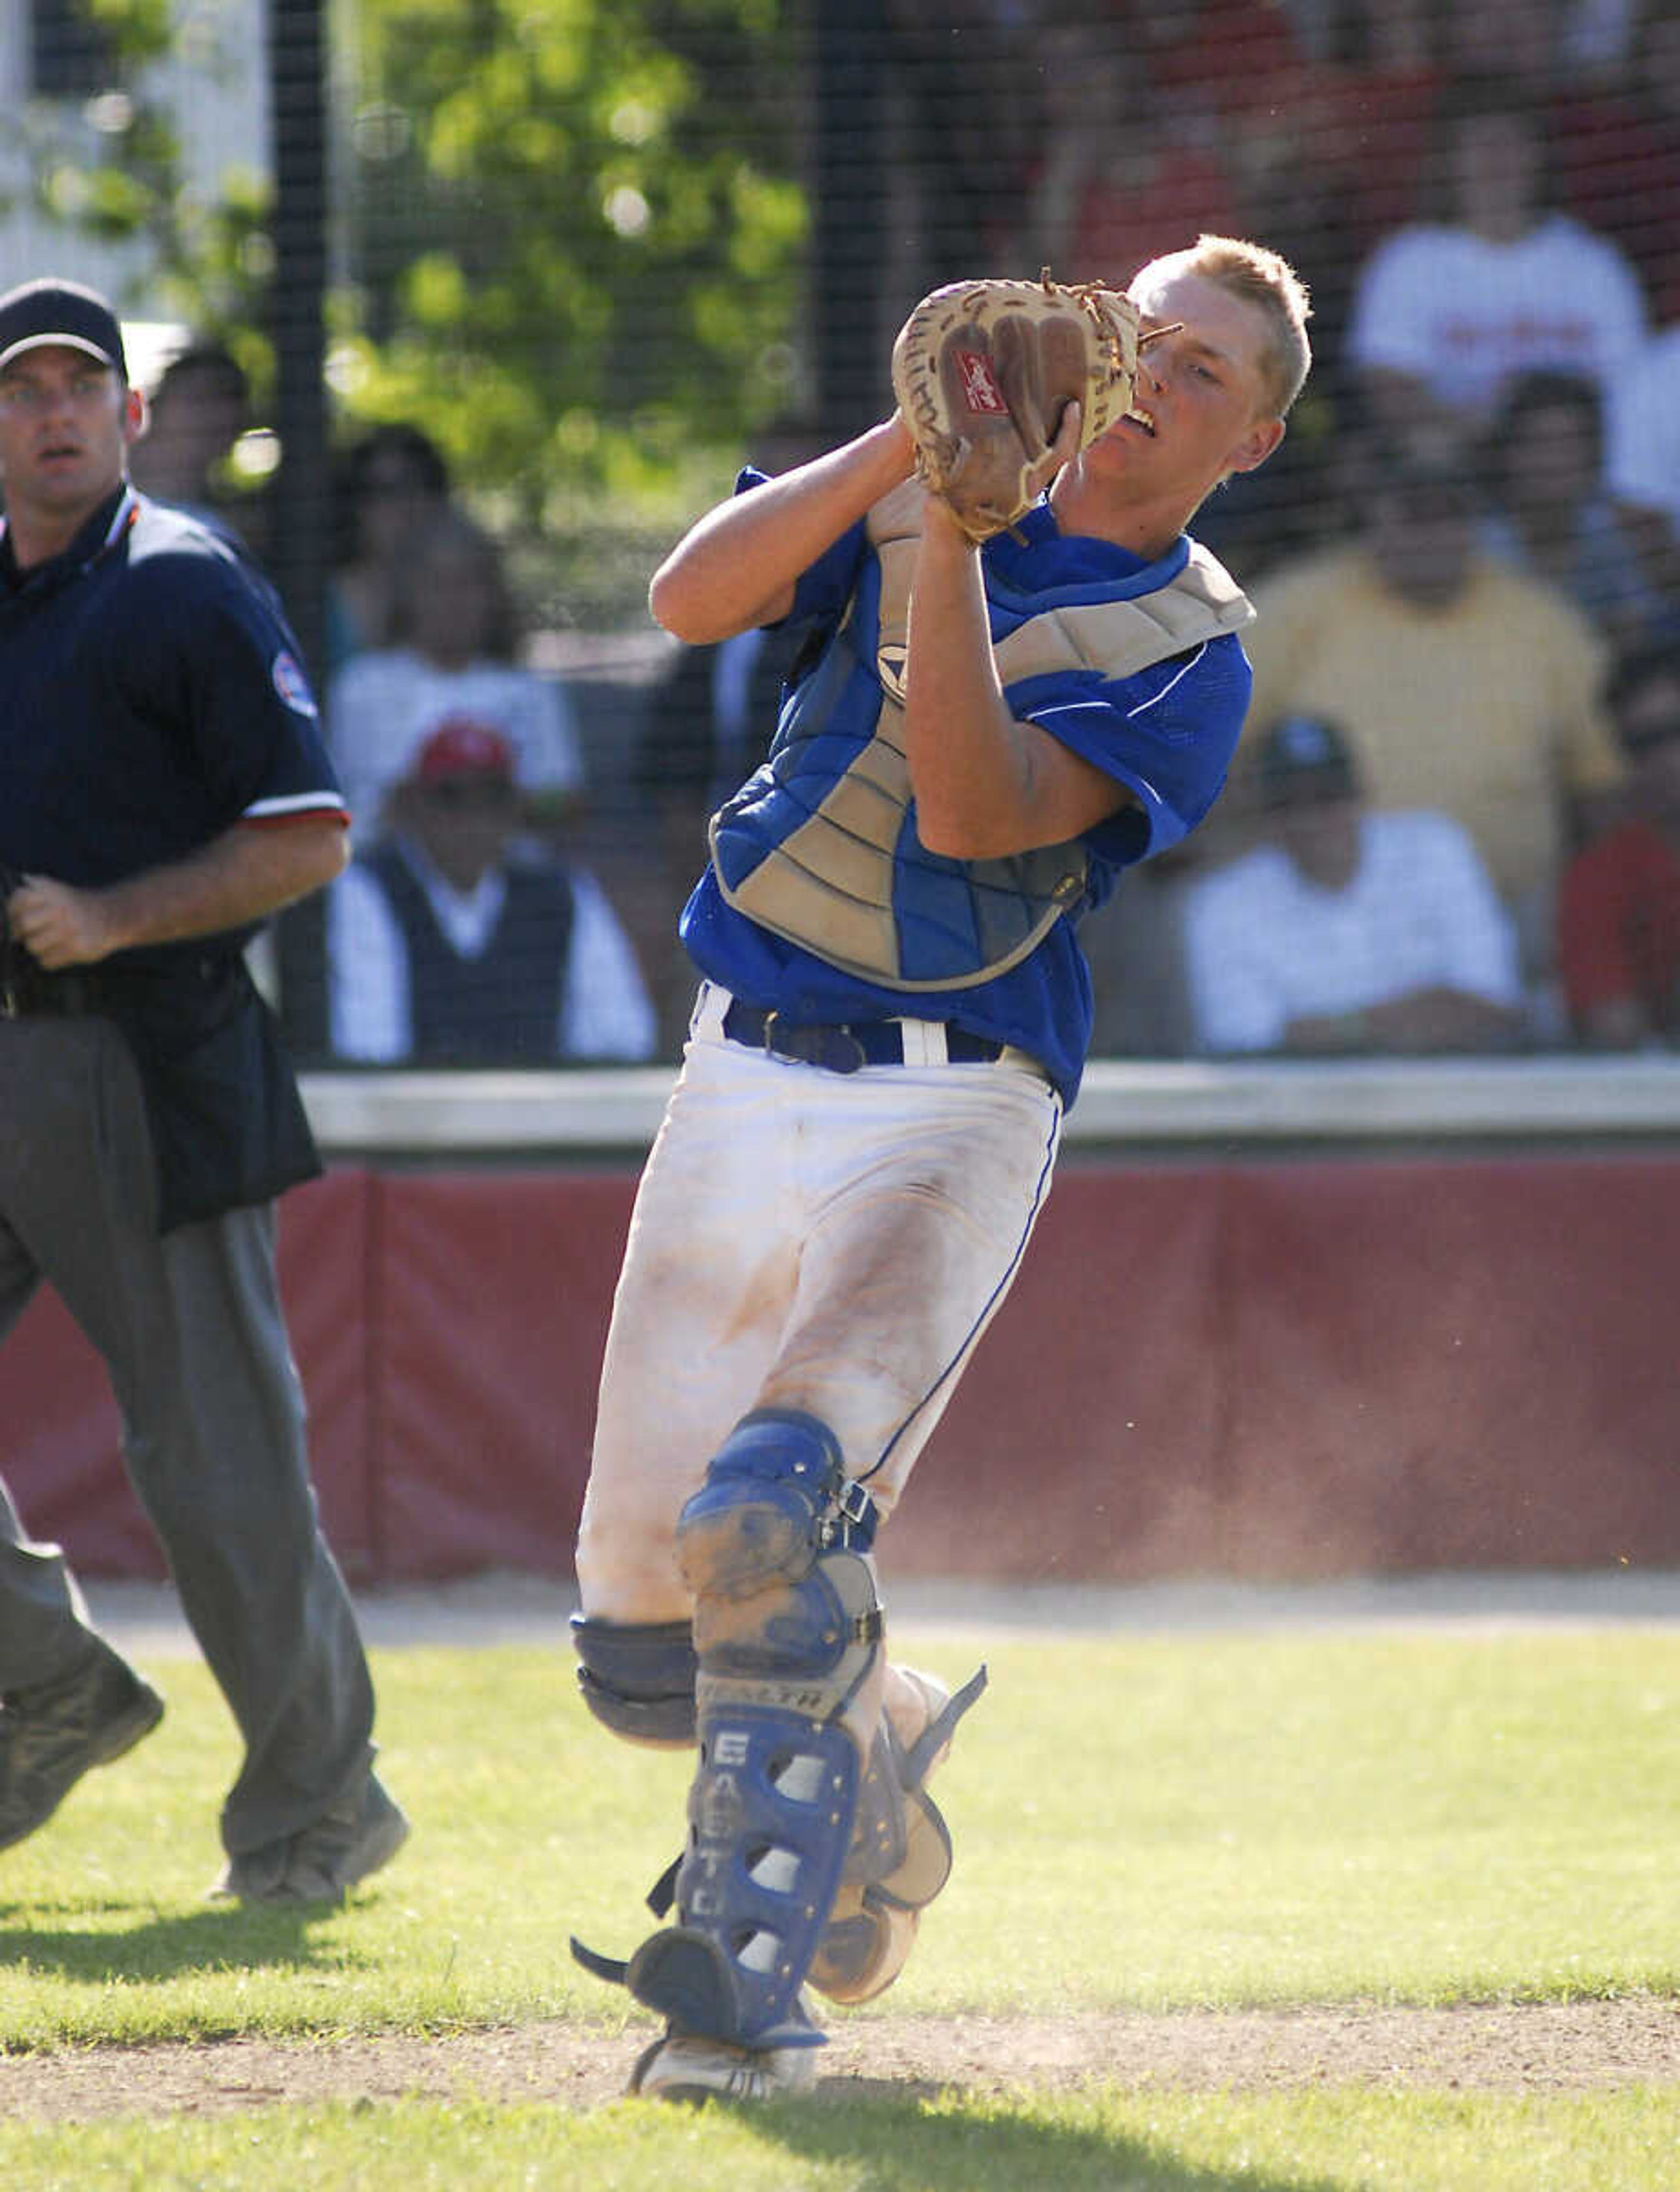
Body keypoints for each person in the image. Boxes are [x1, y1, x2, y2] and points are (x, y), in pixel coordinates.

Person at [567, 235, 1311, 2101]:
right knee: (647, 1666)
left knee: (765, 1520)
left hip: (955, 1102)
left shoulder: (1193, 648)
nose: (1153, 372)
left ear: (1256, 444)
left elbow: (976, 818)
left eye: (1208, 373)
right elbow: (686, 597)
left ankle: (736, 2005)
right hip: (739, 1070)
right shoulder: (943, 460)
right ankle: (871, 1726)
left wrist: (962, 537)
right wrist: (912, 451)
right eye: (1142, 332)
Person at [0, 277, 407, 1902]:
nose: (50, 413)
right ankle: (51, 1683)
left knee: (216, 1468)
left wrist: (109, 913)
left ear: (132, 416)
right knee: (212, 1466)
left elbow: (309, 833)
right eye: (21, 388)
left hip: (143, 1060)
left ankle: (321, 1808)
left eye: (78, 386)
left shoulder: (183, 586)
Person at [1234, 430, 1625, 1005]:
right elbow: (1204, 751)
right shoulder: (1294, 608)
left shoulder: (1546, 623)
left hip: (1516, 911)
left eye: (1449, 513)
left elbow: (1602, 787)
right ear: (1373, 516)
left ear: (1475, 521)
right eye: (1412, 512)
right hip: (1327, 914)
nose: (1431, 532)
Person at [1182, 712, 1525, 1055]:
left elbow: (1495, 1007)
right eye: (1289, 804)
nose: (1312, 819)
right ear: (1263, 815)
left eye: (1328, 797)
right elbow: (1247, 1052)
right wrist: (1427, 1010)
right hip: (1303, 1104)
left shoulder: (1435, 848)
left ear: (1362, 795)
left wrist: (1333, 1028)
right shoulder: (1221, 905)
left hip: (1450, 1087)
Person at [327, 720, 657, 1065]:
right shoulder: (368, 891)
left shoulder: (563, 897)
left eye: (493, 797)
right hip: (416, 1115)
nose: (474, 817)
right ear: (415, 805)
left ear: (515, 808)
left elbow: (622, 1043)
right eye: (451, 796)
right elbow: (369, 1055)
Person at [1344, 74, 1647, 440]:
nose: (1497, 161)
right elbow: (1388, 382)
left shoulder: (1594, 264)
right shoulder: (1406, 262)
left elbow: (1627, 383)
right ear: (1450, 160)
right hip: (1454, 461)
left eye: (1512, 144)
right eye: (1479, 146)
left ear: (1540, 156)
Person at [325, 502, 585, 840]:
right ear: (408, 592)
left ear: (493, 596)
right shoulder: (361, 686)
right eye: (437, 583)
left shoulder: (529, 692)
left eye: (467, 584)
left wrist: (490, 797)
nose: (453, 600)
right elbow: (342, 807)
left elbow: (566, 800)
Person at [1477, 369, 1677, 651]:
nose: (1555, 463)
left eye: (1570, 446)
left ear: (1595, 459)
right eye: (1540, 445)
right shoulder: (1478, 550)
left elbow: (1635, 641)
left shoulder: (1617, 543)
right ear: (1509, 454)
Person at [1556, 639, 1680, 1048]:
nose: (1667, 756)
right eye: (1642, 743)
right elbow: (1613, 1027)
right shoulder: (1599, 874)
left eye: (1674, 731)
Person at [323, 422, 452, 675]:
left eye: (416, 486)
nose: (401, 506)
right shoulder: (319, 601)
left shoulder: (464, 598)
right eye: (382, 491)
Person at [126, 340, 267, 559]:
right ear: (154, 404)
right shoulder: (95, 489)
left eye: (228, 404)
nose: (215, 417)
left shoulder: (220, 535)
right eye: (199, 399)